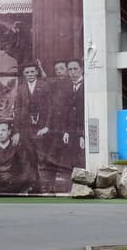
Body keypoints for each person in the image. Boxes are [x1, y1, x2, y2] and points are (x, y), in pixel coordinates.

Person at [47, 58, 86, 192]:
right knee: (70, 160)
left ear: (82, 69)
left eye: (75, 69)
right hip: (70, 131)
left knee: (82, 160)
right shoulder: (67, 87)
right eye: (70, 70)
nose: (73, 72)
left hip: (82, 131)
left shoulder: (87, 86)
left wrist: (83, 135)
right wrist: (66, 131)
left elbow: (87, 112)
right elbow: (65, 112)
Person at [14, 62, 52, 191]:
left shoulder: (45, 86)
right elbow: (18, 111)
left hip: (41, 129)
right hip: (26, 129)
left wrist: (47, 126)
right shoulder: (21, 89)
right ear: (24, 74)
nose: (30, 75)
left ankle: (44, 186)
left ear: (36, 72)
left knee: (42, 158)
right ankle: (33, 185)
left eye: (32, 72)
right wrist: (17, 131)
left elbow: (51, 108)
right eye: (27, 72)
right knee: (29, 157)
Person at [0, 119, 36, 194]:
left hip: (14, 184)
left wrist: (15, 181)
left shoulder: (17, 147)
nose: (0, 133)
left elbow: (27, 168)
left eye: (3, 130)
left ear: (9, 132)